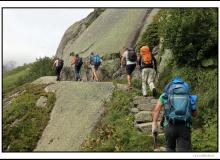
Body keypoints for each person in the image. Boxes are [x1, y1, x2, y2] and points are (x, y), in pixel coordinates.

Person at [152, 76, 197, 151]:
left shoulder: (165, 95)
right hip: (184, 126)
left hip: (169, 125)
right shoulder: (188, 96)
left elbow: (156, 110)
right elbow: (194, 114)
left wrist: (154, 125)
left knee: (169, 148)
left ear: (170, 86)